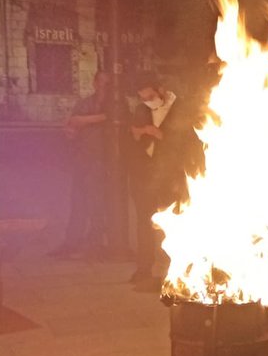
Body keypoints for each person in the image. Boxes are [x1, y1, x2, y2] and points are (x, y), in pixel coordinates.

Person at [128, 76, 198, 287]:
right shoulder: (142, 110)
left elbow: (187, 140)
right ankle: (143, 269)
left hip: (170, 175)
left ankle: (174, 272)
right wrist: (141, 132)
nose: (148, 101)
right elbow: (132, 132)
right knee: (144, 222)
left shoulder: (181, 108)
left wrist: (160, 134)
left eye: (150, 96)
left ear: (161, 89)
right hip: (144, 172)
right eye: (143, 98)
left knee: (172, 221)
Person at [50, 70, 114, 257]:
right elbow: (72, 125)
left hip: (102, 162)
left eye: (107, 83)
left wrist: (83, 120)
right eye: (101, 82)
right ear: (95, 83)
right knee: (78, 203)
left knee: (98, 204)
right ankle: (71, 243)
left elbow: (110, 117)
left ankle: (95, 245)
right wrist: (71, 131)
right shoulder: (85, 103)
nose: (103, 87)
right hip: (83, 159)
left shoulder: (114, 104)